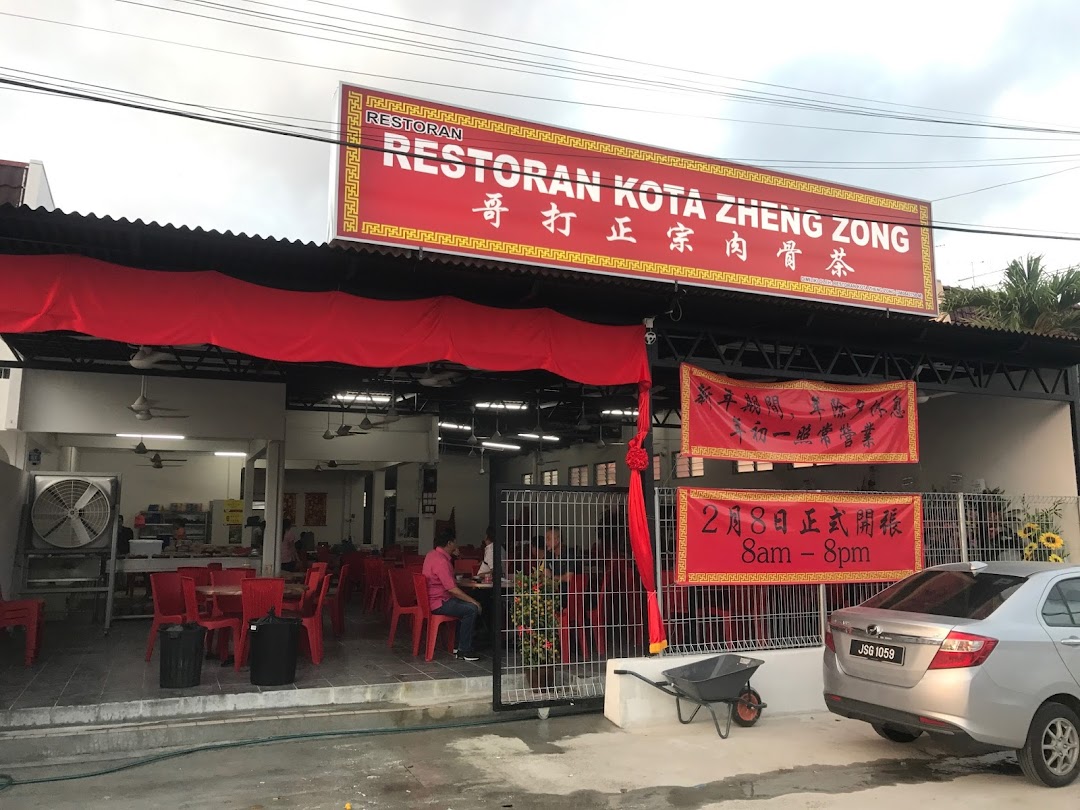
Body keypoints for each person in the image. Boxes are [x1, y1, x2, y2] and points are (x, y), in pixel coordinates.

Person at [422, 530, 482, 661]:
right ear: (449, 543)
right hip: (440, 602)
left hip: (431, 600)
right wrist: (475, 602)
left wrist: (454, 557)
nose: (456, 545)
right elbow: (452, 589)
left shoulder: (431, 555)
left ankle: (458, 644)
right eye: (454, 543)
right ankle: (464, 650)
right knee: (471, 609)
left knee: (465, 605)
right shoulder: (442, 561)